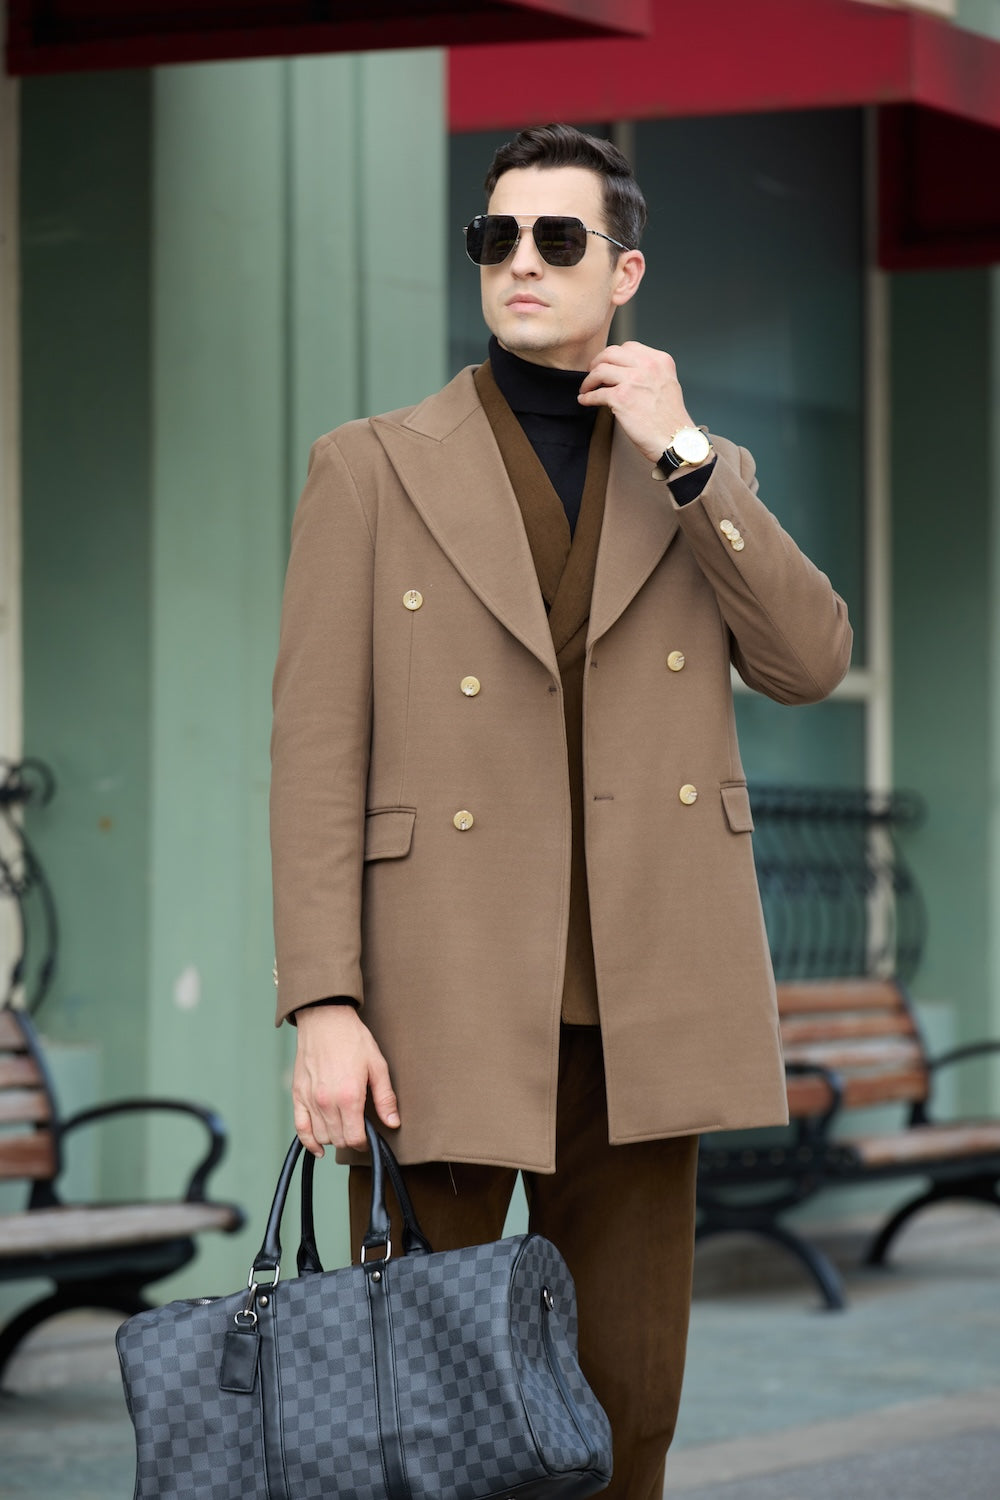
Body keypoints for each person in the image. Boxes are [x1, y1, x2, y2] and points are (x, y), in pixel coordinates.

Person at [270, 123, 852, 1498]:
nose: (519, 263)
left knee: (629, 1404)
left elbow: (809, 661)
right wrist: (323, 1006)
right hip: (438, 1002)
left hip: (647, 1006)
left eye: (557, 239)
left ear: (624, 269)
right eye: (497, 238)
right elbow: (311, 754)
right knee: (437, 1412)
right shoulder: (368, 466)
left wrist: (687, 451)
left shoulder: (693, 474)